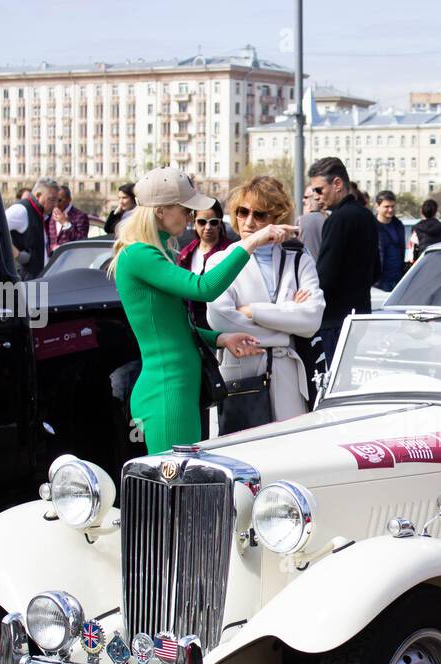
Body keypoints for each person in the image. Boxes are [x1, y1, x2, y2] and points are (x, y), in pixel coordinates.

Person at [106, 167, 296, 454]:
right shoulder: (139, 255)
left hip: (175, 387)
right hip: (168, 390)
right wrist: (253, 242)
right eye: (185, 210)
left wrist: (220, 339)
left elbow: (173, 326)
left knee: (180, 485)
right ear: (160, 211)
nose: (191, 218)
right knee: (175, 488)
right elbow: (204, 287)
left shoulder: (152, 253)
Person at [206, 176, 324, 432]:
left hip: (287, 375)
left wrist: (252, 311)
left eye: (259, 214)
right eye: (242, 212)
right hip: (242, 375)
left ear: (276, 218)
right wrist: (287, 323)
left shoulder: (297, 258)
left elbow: (312, 318)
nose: (249, 222)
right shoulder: (220, 261)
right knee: (242, 454)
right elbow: (220, 319)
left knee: (289, 450)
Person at [308, 156, 380, 373]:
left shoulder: (337, 220)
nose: (316, 197)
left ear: (337, 184)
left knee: (333, 380)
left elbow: (325, 275)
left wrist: (307, 298)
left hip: (334, 318)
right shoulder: (367, 216)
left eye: (319, 190)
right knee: (346, 377)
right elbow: (377, 270)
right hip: (360, 313)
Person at [176, 199, 232, 324]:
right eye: (202, 222)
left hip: (221, 324)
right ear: (194, 222)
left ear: (220, 223)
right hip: (192, 324)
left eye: (213, 222)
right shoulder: (186, 253)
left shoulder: (230, 252)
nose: (208, 227)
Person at [6, 177, 59, 279]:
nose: (55, 204)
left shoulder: (40, 214)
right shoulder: (21, 210)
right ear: (38, 195)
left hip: (37, 279)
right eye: (52, 200)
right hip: (25, 281)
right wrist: (17, 254)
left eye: (57, 200)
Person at [374, 189, 406, 291]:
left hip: (398, 279)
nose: (390, 210)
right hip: (378, 281)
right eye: (386, 207)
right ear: (377, 207)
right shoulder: (370, 226)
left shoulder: (398, 225)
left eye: (392, 206)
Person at [47, 185, 90, 254]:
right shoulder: (49, 215)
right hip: (52, 261)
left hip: (70, 260)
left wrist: (66, 224)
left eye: (59, 200)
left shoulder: (80, 216)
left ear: (68, 199)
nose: (56, 203)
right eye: (53, 200)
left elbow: (82, 241)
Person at [297, 185, 326, 260]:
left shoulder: (302, 220)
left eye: (306, 197)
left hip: (308, 268)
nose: (303, 200)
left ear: (315, 197)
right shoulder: (329, 218)